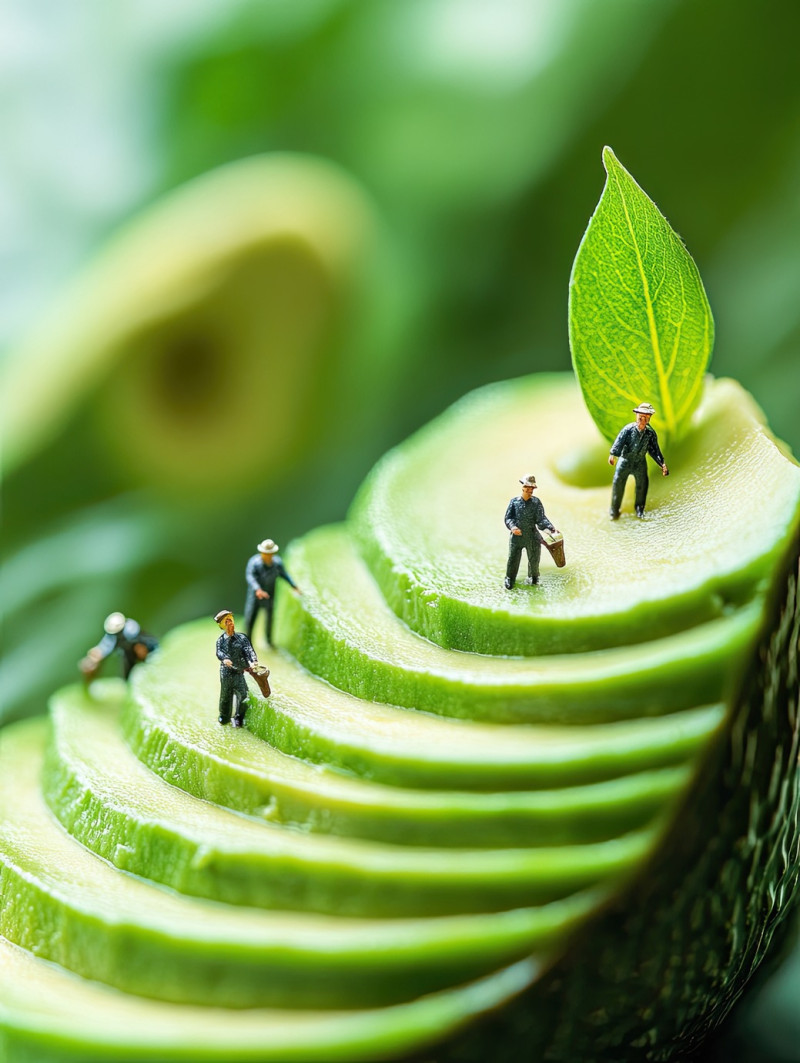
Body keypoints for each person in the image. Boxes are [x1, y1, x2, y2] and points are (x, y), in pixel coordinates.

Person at [608, 402, 669, 520]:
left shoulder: (650, 434)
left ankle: (639, 508)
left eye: (646, 417)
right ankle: (614, 510)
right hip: (624, 461)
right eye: (640, 416)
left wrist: (662, 463)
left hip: (640, 463)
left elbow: (654, 450)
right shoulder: (628, 430)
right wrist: (613, 455)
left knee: (642, 485)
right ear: (636, 416)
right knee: (618, 484)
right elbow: (619, 442)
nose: (642, 419)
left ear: (649, 419)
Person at [504, 475, 559, 589]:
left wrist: (551, 528)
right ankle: (509, 578)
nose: (530, 491)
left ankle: (534, 578)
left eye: (532, 489)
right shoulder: (514, 502)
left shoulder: (536, 502)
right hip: (517, 537)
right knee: (513, 558)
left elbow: (541, 519)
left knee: (534, 559)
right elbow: (508, 518)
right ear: (523, 487)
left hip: (532, 535)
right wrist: (513, 527)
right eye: (528, 488)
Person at [244, 538, 301, 646]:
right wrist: (258, 589)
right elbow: (250, 576)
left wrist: (294, 585)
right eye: (265, 553)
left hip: (270, 594)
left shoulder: (277, 563)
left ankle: (268, 640)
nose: (268, 556)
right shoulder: (254, 563)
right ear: (261, 553)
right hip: (256, 595)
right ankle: (247, 642)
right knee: (251, 617)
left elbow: (284, 574)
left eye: (270, 554)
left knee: (270, 617)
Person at [213, 610, 265, 727]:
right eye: (226, 621)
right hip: (226, 673)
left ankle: (238, 717)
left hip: (239, 673)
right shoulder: (220, 641)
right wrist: (225, 659)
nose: (229, 623)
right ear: (221, 626)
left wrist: (253, 661)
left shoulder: (242, 638)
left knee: (243, 695)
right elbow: (219, 652)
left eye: (230, 619)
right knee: (226, 695)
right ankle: (224, 716)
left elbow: (249, 650)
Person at [79, 613, 158, 680]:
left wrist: (141, 650)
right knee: (127, 673)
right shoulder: (113, 636)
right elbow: (107, 644)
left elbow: (139, 643)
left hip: (144, 646)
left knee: (153, 658)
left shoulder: (131, 630)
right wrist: (97, 653)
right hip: (128, 653)